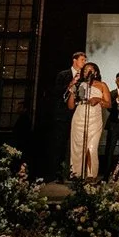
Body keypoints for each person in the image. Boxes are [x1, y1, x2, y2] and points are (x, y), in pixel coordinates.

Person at [67, 61, 111, 179]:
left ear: (95, 72)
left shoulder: (102, 85)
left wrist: (98, 99)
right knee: (78, 147)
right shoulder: (79, 85)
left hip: (95, 118)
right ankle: (76, 174)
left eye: (90, 70)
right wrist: (72, 92)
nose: (87, 72)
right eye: (85, 70)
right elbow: (71, 106)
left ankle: (91, 175)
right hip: (79, 116)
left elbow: (109, 104)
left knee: (92, 147)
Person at [48, 51, 87, 181]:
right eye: (82, 60)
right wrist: (71, 83)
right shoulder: (63, 74)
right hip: (63, 114)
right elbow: (56, 91)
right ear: (74, 60)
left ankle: (74, 172)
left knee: (75, 144)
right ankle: (57, 173)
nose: (84, 62)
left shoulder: (84, 77)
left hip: (78, 114)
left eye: (85, 60)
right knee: (60, 143)